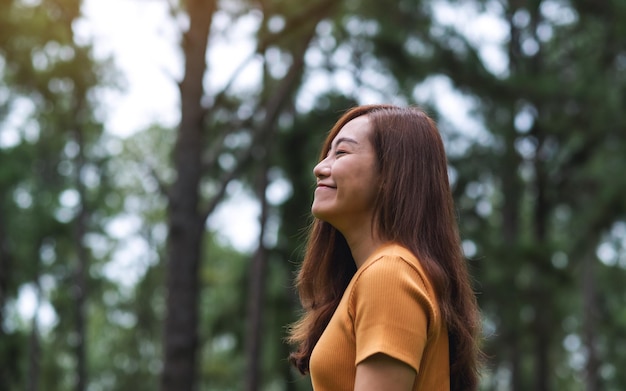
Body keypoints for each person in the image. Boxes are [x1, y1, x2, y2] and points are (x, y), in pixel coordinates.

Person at [287, 104, 483, 390]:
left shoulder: (389, 275)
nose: (320, 168)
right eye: (326, 154)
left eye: (341, 152)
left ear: (389, 175)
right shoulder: (381, 274)